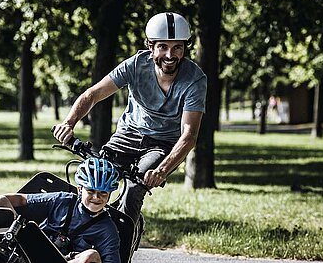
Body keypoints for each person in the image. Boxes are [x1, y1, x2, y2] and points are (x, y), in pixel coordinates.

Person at [52, 12, 207, 231]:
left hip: (162, 144)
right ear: (150, 46)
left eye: (177, 48)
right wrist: (69, 123)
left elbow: (189, 135)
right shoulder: (135, 65)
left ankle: (119, 246)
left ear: (185, 48)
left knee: (135, 188)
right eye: (163, 47)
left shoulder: (195, 79)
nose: (170, 55)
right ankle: (75, 234)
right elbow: (93, 94)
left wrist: (162, 170)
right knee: (96, 177)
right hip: (128, 135)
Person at [0, 157, 123, 263]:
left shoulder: (107, 228)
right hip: (31, 247)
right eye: (90, 191)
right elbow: (22, 199)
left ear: (109, 195)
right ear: (80, 189)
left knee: (92, 256)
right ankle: (1, 254)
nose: (96, 197)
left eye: (103, 193)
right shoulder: (63, 200)